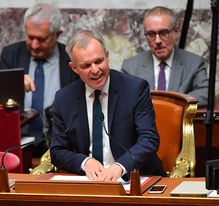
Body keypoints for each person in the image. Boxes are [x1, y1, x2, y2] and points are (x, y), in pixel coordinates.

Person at [50, 29, 165, 182]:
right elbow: (57, 151)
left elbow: (149, 139)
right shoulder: (64, 98)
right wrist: (84, 162)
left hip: (134, 179)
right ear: (74, 68)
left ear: (108, 57)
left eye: (99, 61)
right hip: (88, 181)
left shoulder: (135, 89)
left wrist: (121, 166)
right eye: (86, 66)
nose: (95, 70)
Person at [0, 3, 78, 155]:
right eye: (30, 37)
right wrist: (12, 84)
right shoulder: (11, 54)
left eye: (41, 39)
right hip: (17, 146)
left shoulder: (71, 58)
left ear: (57, 34)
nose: (34, 45)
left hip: (61, 146)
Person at [121, 6, 208, 106]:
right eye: (151, 34)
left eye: (164, 33)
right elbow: (123, 98)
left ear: (176, 31)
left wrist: (172, 105)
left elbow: (205, 93)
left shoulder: (195, 63)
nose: (157, 41)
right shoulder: (130, 67)